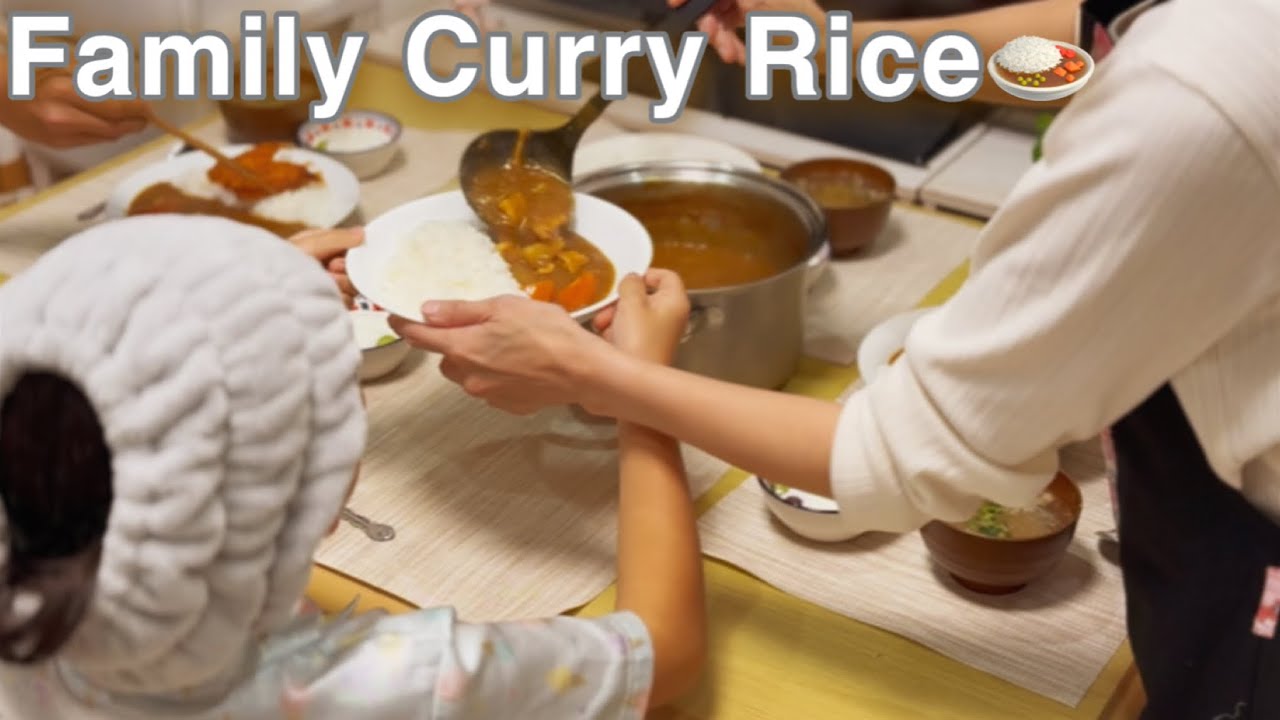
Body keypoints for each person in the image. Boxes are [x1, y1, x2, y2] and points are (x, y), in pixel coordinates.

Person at [394, 0, 1280, 715]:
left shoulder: (1198, 92)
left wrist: (598, 375)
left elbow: (910, 454)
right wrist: (839, 50)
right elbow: (1086, 45)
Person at [0, 215, 705, 718]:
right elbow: (663, 652)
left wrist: (240, 287)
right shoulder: (382, 685)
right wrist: (638, 390)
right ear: (322, 495)